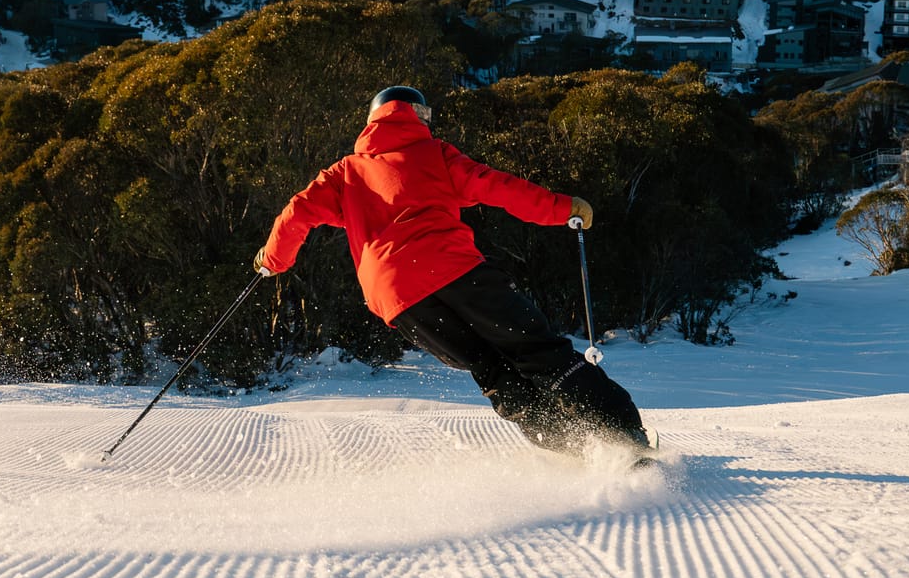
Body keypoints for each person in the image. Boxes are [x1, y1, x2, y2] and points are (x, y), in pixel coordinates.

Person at [255, 85, 648, 456]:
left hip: (398, 300)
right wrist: (562, 208)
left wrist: (273, 260)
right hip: (456, 272)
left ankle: (574, 448)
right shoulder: (435, 154)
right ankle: (624, 436)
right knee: (536, 348)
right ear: (416, 116)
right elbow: (497, 186)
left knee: (491, 371)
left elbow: (297, 212)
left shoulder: (344, 173)